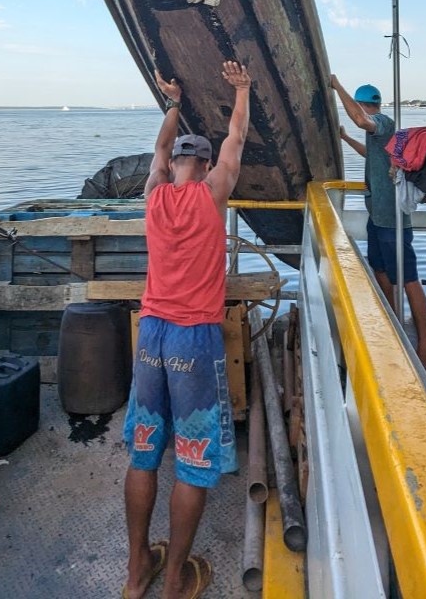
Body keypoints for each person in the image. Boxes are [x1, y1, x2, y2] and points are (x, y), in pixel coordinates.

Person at [122, 60, 251, 599]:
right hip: (193, 339)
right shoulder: (212, 194)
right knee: (194, 463)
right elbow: (236, 139)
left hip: (150, 334)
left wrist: (172, 104)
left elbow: (155, 151)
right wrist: (241, 90)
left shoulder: (153, 194)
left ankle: (136, 576)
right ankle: (174, 581)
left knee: (143, 453)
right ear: (202, 164)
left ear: (175, 165)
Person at [329, 76, 426, 372]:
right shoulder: (377, 136)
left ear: (366, 106)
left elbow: (361, 120)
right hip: (378, 217)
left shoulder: (384, 124)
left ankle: (425, 348)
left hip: (392, 220)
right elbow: (372, 157)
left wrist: (336, 85)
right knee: (380, 271)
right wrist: (345, 139)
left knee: (408, 278)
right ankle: (392, 328)